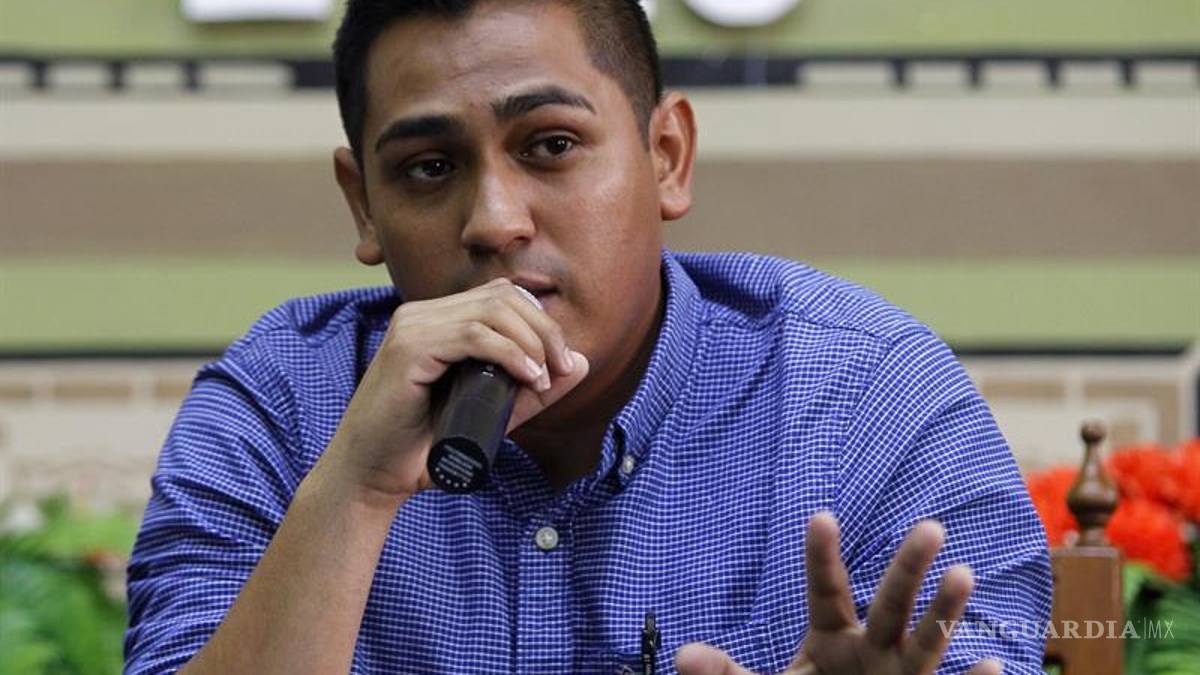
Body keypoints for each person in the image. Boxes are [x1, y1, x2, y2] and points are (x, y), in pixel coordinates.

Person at [124, 1, 1052, 673]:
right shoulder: (281, 403)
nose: (494, 220)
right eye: (429, 168)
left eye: (551, 145)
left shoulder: (866, 396)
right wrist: (354, 491)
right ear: (363, 203)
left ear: (666, 157)